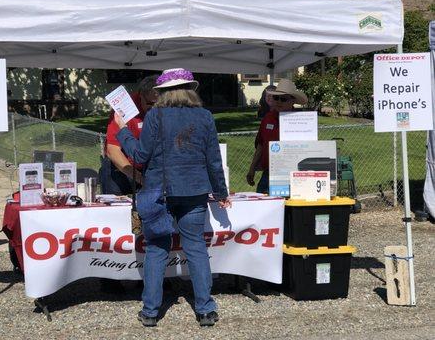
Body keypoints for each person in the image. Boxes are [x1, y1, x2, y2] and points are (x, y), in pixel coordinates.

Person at [115, 68, 231, 327]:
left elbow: (140, 157)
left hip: (160, 193)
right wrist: (221, 193)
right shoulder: (205, 116)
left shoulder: (155, 116)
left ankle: (150, 312)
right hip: (194, 192)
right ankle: (205, 310)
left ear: (162, 93)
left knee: (157, 250)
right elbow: (213, 160)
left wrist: (123, 132)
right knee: (196, 249)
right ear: (191, 90)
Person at [100, 75, 159, 195]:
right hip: (121, 168)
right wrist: (141, 180)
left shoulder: (166, 109)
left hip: (148, 169)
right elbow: (112, 150)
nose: (154, 108)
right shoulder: (125, 106)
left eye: (158, 104)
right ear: (140, 95)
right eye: (150, 103)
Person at [246, 79, 307, 193]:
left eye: (283, 99)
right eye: (276, 98)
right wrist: (252, 168)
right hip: (269, 172)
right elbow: (261, 144)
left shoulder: (301, 121)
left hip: (293, 174)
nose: (278, 101)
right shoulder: (267, 118)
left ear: (292, 101)